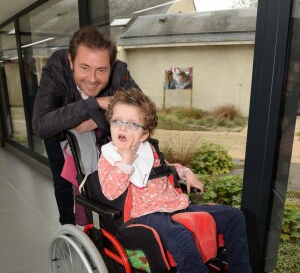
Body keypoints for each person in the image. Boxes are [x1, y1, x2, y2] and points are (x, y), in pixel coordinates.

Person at [98, 88, 251, 273]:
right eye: (117, 121)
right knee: (180, 236)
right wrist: (126, 162)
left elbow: (167, 167)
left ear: (145, 134)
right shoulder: (108, 156)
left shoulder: (149, 150)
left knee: (234, 216)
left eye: (132, 124)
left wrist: (186, 173)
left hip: (175, 205)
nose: (122, 127)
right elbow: (110, 191)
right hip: (146, 214)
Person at [32, 25, 140, 225]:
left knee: (102, 181)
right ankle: (68, 229)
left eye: (101, 70)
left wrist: (97, 119)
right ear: (71, 61)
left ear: (111, 65)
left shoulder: (120, 71)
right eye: (84, 68)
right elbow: (41, 125)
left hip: (101, 138)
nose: (92, 79)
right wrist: (95, 103)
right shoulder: (56, 68)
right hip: (59, 134)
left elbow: (144, 113)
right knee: (63, 183)